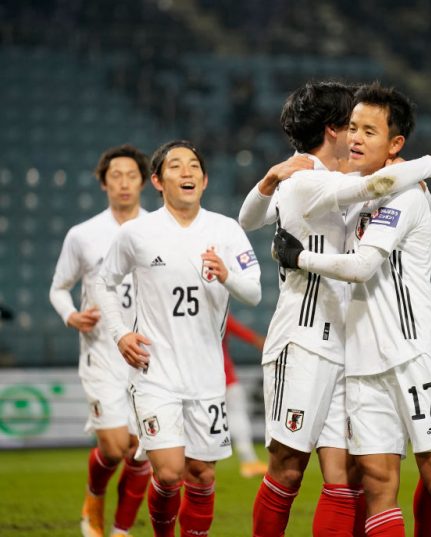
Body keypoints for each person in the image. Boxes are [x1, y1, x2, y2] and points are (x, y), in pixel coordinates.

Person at [240, 81, 431, 537]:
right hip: (303, 341)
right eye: (352, 126)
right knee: (287, 467)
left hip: (348, 344)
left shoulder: (344, 186)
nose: (357, 136)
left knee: (346, 477)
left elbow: (251, 217)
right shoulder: (308, 181)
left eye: (367, 128)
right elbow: (377, 182)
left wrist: (266, 182)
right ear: (334, 130)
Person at [95, 140, 262, 537]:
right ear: (157, 180)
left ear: (204, 180)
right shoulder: (137, 232)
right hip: (156, 373)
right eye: (175, 166)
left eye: (194, 167)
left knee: (202, 475)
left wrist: (227, 275)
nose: (186, 172)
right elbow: (104, 283)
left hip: (207, 376)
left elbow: (253, 292)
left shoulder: (226, 229)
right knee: (170, 474)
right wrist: (120, 335)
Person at [49, 144, 152, 537]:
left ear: (143, 181)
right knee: (114, 448)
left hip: (146, 354)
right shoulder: (83, 235)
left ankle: (120, 531)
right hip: (101, 352)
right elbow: (59, 288)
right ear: (104, 183)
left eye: (131, 175)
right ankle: (94, 495)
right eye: (115, 177)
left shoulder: (156, 229)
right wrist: (70, 314)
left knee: (142, 450)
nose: (124, 183)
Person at [222, 314, 269, 478]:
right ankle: (249, 461)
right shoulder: (214, 307)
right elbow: (238, 329)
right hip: (224, 376)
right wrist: (258, 340)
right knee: (237, 413)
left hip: (195, 379)